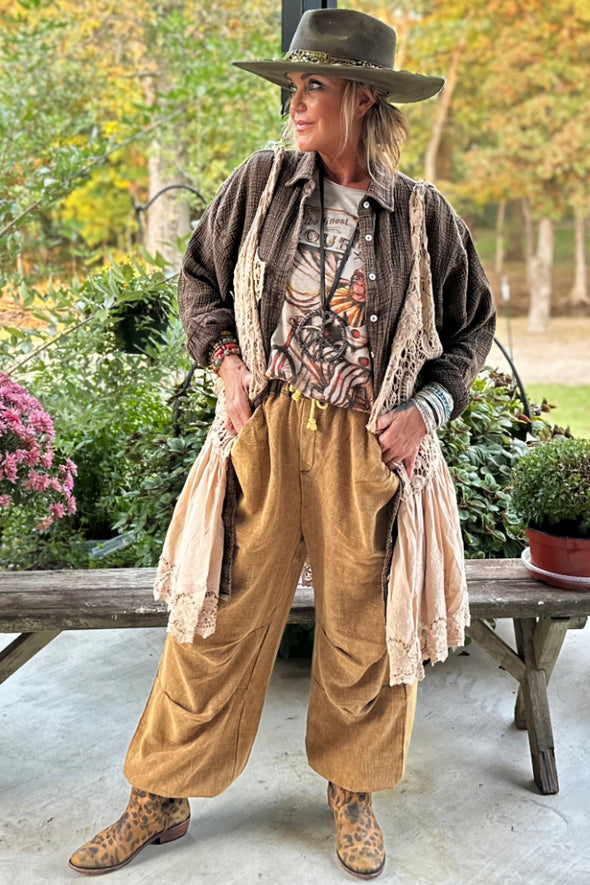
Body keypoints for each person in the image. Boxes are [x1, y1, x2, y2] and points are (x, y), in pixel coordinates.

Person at [68, 8, 495, 880]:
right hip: (263, 431)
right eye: (293, 85)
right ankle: (159, 795)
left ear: (362, 98)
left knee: (365, 632)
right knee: (213, 617)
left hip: (365, 448)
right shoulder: (261, 184)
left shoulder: (420, 215)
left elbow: (473, 327)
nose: (295, 102)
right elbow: (198, 278)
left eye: (314, 86)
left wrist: (427, 409)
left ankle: (353, 790)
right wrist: (225, 363)